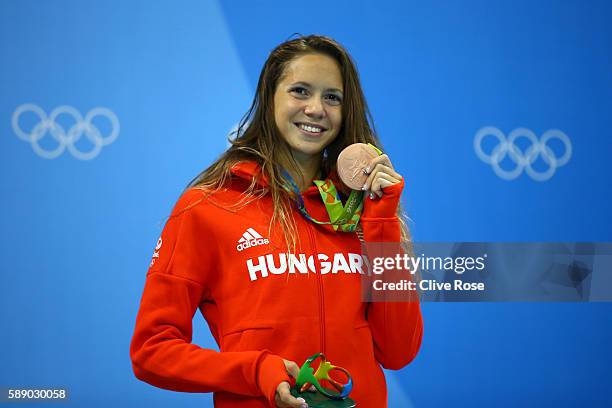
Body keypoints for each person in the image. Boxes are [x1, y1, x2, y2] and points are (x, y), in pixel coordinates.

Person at [130, 34, 423, 408]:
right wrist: (255, 372)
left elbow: (399, 351)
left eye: (332, 97)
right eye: (300, 91)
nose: (316, 109)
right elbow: (151, 351)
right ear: (270, 98)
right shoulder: (208, 206)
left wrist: (381, 223)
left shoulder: (360, 211)